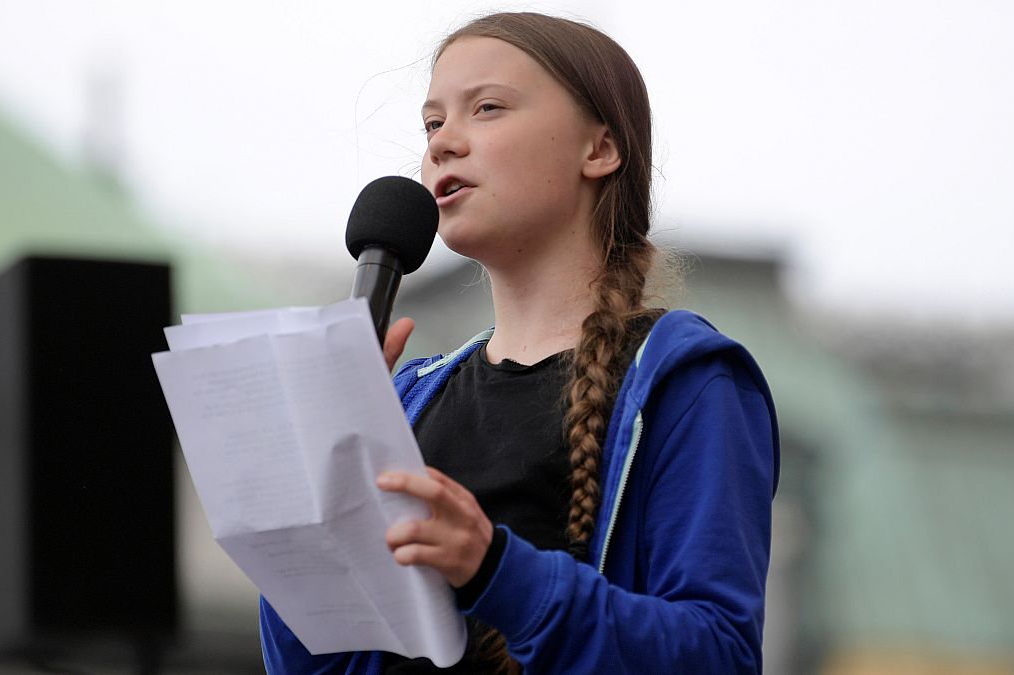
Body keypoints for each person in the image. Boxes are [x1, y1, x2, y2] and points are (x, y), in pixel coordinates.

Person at [261, 11, 779, 674]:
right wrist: (308, 515)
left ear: (599, 149)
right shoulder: (413, 396)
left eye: (487, 107)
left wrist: (496, 571)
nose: (444, 143)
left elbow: (718, 655)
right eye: (432, 123)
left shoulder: (688, 382)